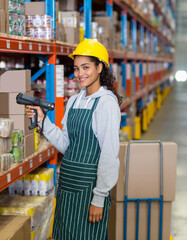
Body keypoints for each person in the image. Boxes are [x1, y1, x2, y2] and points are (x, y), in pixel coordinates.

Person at [26, 39, 121, 240]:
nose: (80, 74)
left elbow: (109, 154)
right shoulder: (75, 100)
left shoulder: (106, 104)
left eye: (86, 67)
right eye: (76, 69)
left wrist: (99, 197)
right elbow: (65, 144)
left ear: (100, 67)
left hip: (89, 189)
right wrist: (43, 121)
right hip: (68, 184)